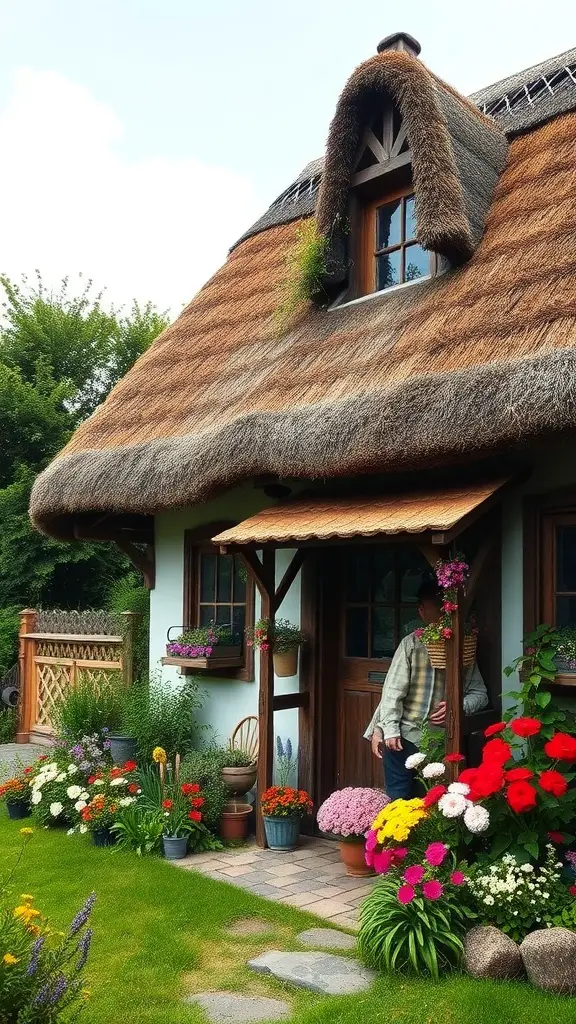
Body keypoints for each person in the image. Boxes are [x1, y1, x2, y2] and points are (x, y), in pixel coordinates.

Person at [364, 580, 488, 800]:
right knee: (401, 800)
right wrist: (386, 729)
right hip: (403, 738)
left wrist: (458, 706)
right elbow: (393, 692)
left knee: (431, 801)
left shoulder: (465, 648)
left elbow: (480, 695)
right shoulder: (412, 644)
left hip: (443, 743)